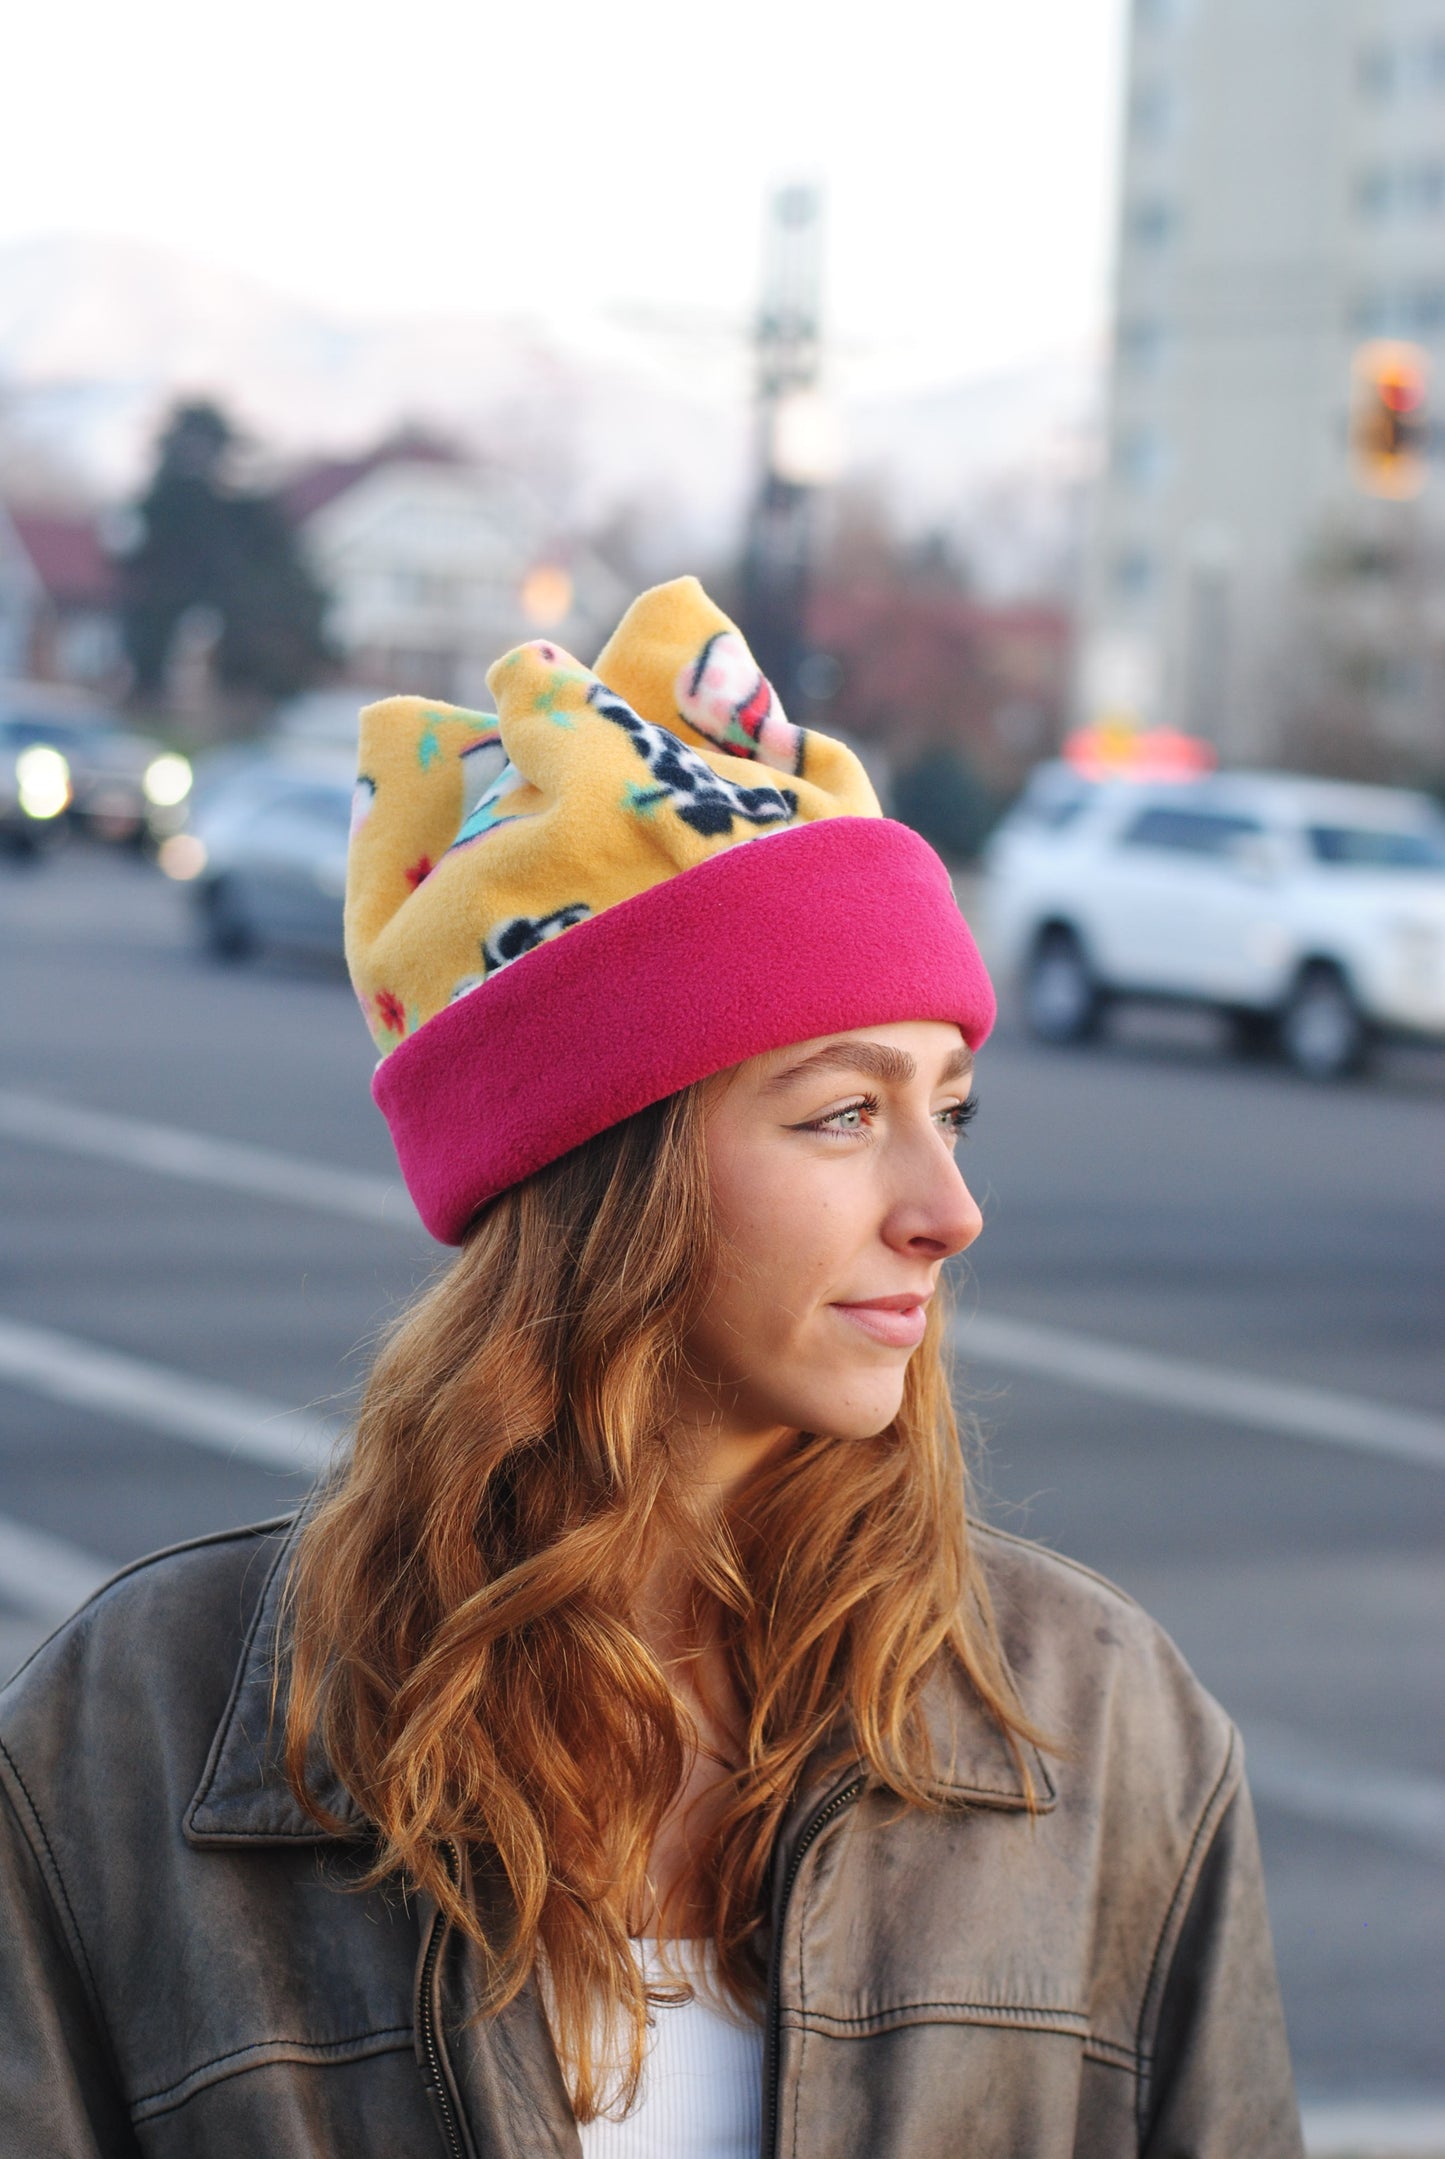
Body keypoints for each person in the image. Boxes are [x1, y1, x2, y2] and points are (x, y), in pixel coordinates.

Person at [0, 579, 1303, 2158]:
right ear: (598, 1177)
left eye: (948, 1109)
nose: (946, 1212)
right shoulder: (133, 1732)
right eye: (840, 1113)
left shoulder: (1100, 1729)